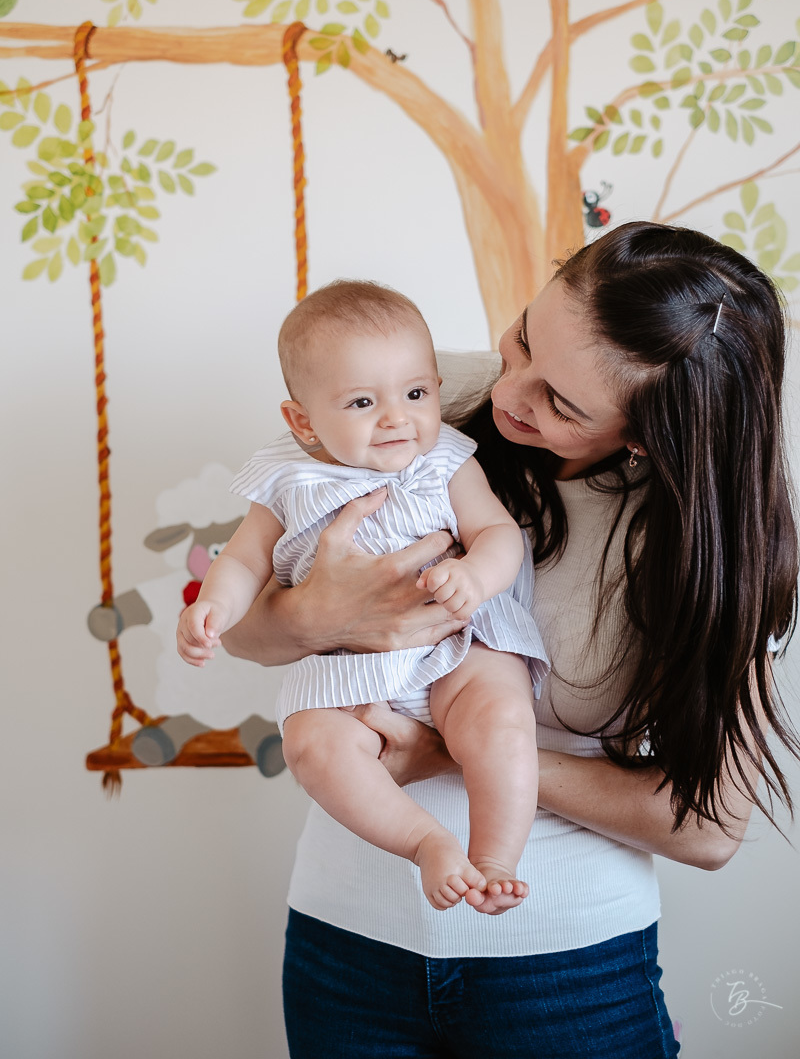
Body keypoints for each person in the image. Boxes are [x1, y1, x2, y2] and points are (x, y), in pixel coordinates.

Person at [224, 223, 799, 1059]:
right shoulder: (415, 394)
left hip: (565, 972)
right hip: (346, 939)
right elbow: (246, 626)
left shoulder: (722, 551)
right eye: (524, 337)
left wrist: (445, 751)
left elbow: (705, 828)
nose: (510, 392)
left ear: (647, 437)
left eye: (560, 403)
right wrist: (320, 615)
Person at [177, 281, 549, 912]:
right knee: (312, 747)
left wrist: (477, 578)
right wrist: (214, 606)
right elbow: (243, 557)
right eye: (360, 402)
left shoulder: (447, 461)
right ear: (302, 422)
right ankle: (425, 842)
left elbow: (497, 532)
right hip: (345, 672)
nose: (397, 418)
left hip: (456, 647)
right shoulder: (286, 477)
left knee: (501, 717)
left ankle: (494, 857)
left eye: (415, 393)